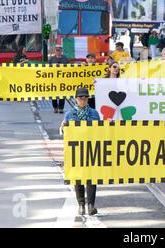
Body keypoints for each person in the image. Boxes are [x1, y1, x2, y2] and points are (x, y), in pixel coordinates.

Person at [62, 87, 101, 216]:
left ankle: (91, 205)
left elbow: (101, 131)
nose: (83, 100)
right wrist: (63, 127)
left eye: (85, 97)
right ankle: (81, 205)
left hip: (91, 149)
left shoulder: (95, 114)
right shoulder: (69, 114)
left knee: (91, 177)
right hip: (76, 151)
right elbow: (63, 133)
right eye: (80, 98)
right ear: (76, 99)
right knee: (78, 177)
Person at [49, 45, 69, 114]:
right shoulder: (51, 59)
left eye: (59, 50)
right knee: (54, 94)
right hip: (54, 79)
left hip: (62, 79)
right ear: (55, 51)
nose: (58, 51)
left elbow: (69, 68)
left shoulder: (65, 59)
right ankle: (55, 107)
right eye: (57, 50)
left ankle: (61, 108)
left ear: (61, 51)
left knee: (62, 94)